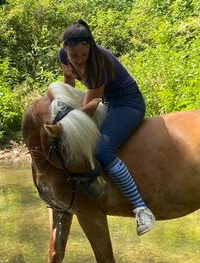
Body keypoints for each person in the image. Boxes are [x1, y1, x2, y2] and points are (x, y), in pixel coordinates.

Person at [58, 19, 156, 235]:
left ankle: (141, 207)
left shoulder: (98, 62)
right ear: (65, 49)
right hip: (107, 102)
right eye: (74, 56)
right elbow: (68, 81)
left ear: (90, 48)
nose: (80, 61)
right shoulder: (63, 55)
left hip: (127, 103)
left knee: (103, 149)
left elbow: (91, 107)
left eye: (84, 55)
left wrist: (66, 122)